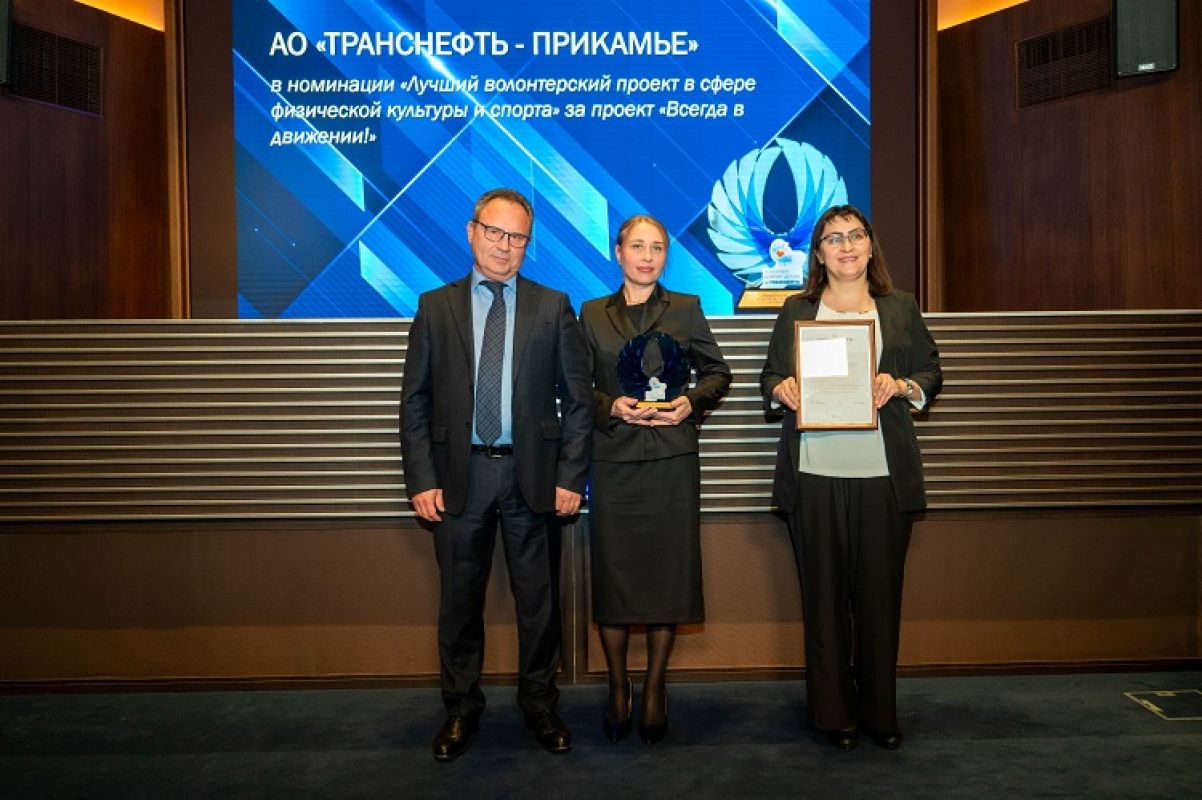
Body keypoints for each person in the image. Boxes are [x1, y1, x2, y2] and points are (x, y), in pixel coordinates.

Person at [399, 188, 593, 761]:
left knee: (540, 604)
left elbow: (578, 401)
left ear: (528, 245)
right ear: (472, 231)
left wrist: (571, 477)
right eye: (495, 232)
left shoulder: (553, 306)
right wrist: (421, 479)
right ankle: (461, 709)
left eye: (517, 237)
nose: (505, 246)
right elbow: (414, 401)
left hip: (533, 479)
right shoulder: (435, 306)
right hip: (458, 480)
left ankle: (540, 704)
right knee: (459, 605)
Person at [759, 204, 941, 751]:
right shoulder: (797, 309)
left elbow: (931, 371)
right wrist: (781, 390)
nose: (846, 246)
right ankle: (833, 714)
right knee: (824, 602)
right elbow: (770, 376)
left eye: (855, 235)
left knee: (879, 601)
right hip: (814, 473)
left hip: (882, 475)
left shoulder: (900, 307)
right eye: (833, 238)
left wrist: (902, 385)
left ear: (869, 245)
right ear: (818, 253)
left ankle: (879, 713)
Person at [579, 214, 731, 745]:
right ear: (617, 251)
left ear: (666, 256)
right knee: (615, 575)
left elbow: (718, 373)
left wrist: (691, 402)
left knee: (668, 575)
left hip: (671, 459)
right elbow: (575, 384)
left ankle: (655, 688)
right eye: (637, 246)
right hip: (614, 463)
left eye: (658, 248)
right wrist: (610, 405)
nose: (647, 257)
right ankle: (618, 686)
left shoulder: (686, 307)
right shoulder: (591, 313)